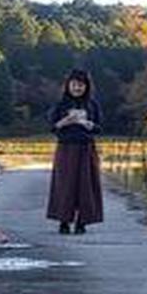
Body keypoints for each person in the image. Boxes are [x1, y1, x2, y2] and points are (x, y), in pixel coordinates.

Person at [47, 68, 104, 235]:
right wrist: (65, 121)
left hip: (87, 148)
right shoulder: (60, 105)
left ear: (86, 87)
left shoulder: (92, 105)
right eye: (74, 85)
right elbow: (53, 127)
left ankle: (82, 222)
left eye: (81, 85)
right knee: (65, 185)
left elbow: (99, 128)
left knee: (86, 186)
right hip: (65, 148)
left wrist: (89, 124)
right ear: (68, 86)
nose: (77, 88)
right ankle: (63, 221)